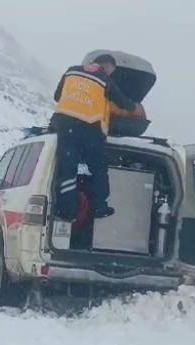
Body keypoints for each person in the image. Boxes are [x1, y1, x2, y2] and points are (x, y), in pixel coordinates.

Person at [51, 54, 140, 220]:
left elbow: (58, 96)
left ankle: (67, 211)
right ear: (106, 67)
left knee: (67, 168)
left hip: (63, 124)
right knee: (98, 168)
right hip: (89, 127)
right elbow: (124, 104)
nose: (110, 74)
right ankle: (99, 206)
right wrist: (134, 106)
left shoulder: (71, 71)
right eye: (111, 71)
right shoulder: (105, 80)